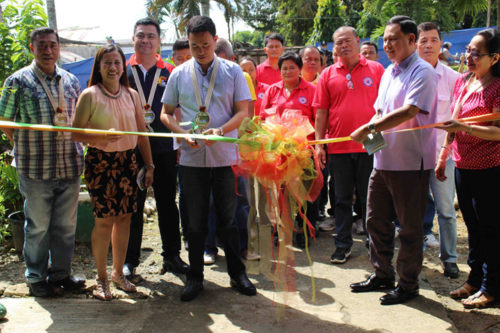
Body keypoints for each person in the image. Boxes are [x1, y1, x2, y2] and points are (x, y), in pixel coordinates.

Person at [160, 15, 256, 302]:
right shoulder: (178, 73)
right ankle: (196, 277)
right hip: (191, 158)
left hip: (224, 156)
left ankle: (237, 274)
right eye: (194, 46)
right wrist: (180, 133)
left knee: (228, 219)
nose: (200, 51)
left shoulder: (233, 71)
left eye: (205, 45)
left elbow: (243, 111)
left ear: (215, 40)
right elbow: (165, 113)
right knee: (194, 221)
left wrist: (221, 130)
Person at [349, 16, 438, 305]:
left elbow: (410, 110)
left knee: (410, 229)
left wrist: (370, 129)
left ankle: (408, 284)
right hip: (383, 162)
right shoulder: (389, 73)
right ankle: (382, 274)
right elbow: (379, 112)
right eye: (385, 39)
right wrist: (371, 142)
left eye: (394, 39)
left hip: (411, 165)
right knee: (375, 221)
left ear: (412, 40)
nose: (387, 44)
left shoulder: (423, 72)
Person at [0, 27, 85, 297]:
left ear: (58, 47)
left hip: (70, 165)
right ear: (31, 48)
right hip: (36, 168)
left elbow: (79, 122)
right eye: (42, 45)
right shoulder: (17, 81)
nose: (48, 50)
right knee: (37, 226)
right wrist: (27, 147)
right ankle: (36, 278)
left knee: (65, 226)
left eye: (52, 45)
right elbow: (6, 123)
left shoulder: (71, 81)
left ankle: (61, 274)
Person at [72, 44, 154, 301]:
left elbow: (142, 134)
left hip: (128, 162)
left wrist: (149, 164)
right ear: (99, 66)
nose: (112, 67)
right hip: (101, 163)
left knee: (126, 218)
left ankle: (119, 273)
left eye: (117, 62)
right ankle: (102, 278)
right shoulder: (90, 95)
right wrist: (101, 136)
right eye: (107, 62)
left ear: (123, 65)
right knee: (104, 220)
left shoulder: (131, 95)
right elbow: (75, 133)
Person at [436, 28, 500, 309]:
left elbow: (497, 132)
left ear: (495, 57)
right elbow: (454, 121)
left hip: (490, 169)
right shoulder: (464, 82)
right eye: (468, 51)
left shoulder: (497, 87)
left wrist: (465, 128)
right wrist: (444, 154)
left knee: (491, 229)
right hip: (463, 165)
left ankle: (492, 286)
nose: (469, 56)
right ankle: (474, 279)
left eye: (477, 52)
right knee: (473, 228)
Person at [313, 26, 385, 264]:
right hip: (339, 146)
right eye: (338, 43)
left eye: (347, 41)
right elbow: (321, 112)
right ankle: (342, 244)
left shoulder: (376, 69)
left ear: (358, 40)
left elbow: (385, 108)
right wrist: (320, 144)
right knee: (341, 198)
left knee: (372, 198)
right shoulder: (327, 74)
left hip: (372, 143)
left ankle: (373, 244)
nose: (343, 46)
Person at [124, 18, 188, 279]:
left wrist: (181, 141)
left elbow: (179, 108)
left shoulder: (171, 72)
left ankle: (172, 256)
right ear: (133, 39)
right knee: (133, 204)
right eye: (141, 36)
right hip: (131, 148)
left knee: (166, 202)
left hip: (164, 147)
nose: (146, 40)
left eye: (151, 36)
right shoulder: (123, 70)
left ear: (160, 41)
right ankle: (130, 260)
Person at [260, 51, 318, 248]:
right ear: (280, 70)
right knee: (281, 192)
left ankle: (303, 230)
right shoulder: (272, 91)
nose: (288, 71)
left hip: (303, 151)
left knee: (302, 191)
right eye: (284, 68)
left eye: (292, 67)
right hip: (279, 152)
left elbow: (318, 120)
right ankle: (282, 230)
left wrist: (318, 147)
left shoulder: (310, 90)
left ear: (299, 69)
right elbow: (263, 118)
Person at [203, 38, 252, 264]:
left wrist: (225, 132)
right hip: (207, 152)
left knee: (239, 202)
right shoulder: (199, 77)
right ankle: (210, 248)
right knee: (210, 202)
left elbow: (246, 114)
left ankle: (242, 247)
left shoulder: (240, 76)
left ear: (232, 60)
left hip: (235, 151)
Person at [416, 22, 460, 278]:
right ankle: (415, 254)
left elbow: (457, 120)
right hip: (411, 158)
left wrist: (446, 152)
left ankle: (450, 258)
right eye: (424, 40)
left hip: (443, 157)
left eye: (433, 40)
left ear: (440, 44)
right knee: (414, 209)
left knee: (446, 211)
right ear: (415, 44)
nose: (429, 45)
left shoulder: (454, 79)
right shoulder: (403, 75)